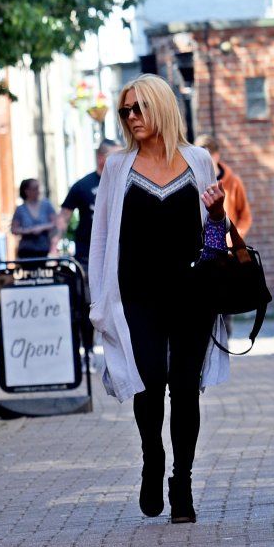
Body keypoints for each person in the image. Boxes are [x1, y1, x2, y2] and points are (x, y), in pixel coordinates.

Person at [85, 75, 231, 523]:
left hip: (192, 295)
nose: (131, 118)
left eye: (139, 108)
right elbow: (104, 237)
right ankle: (153, 459)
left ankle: (182, 484)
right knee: (147, 386)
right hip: (136, 297)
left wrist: (218, 214)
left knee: (185, 389)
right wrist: (100, 298)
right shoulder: (117, 167)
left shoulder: (198, 160)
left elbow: (212, 241)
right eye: (125, 110)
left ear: (162, 108)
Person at [62, 142, 117, 265]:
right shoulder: (82, 185)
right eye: (115, 155)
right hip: (88, 255)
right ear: (100, 158)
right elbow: (63, 218)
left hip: (117, 254)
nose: (120, 159)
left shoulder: (124, 182)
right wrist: (53, 248)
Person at [199, 136, 254, 235]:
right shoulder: (194, 183)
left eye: (207, 157)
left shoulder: (234, 182)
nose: (203, 162)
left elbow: (245, 217)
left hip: (227, 247)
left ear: (216, 156)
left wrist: (234, 237)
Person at [8, 178, 66, 260]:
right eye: (35, 188)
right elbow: (14, 229)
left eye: (38, 188)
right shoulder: (20, 209)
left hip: (44, 249)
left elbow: (55, 223)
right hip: (26, 250)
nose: (38, 191)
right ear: (27, 191)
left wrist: (41, 228)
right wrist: (29, 231)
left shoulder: (46, 205)